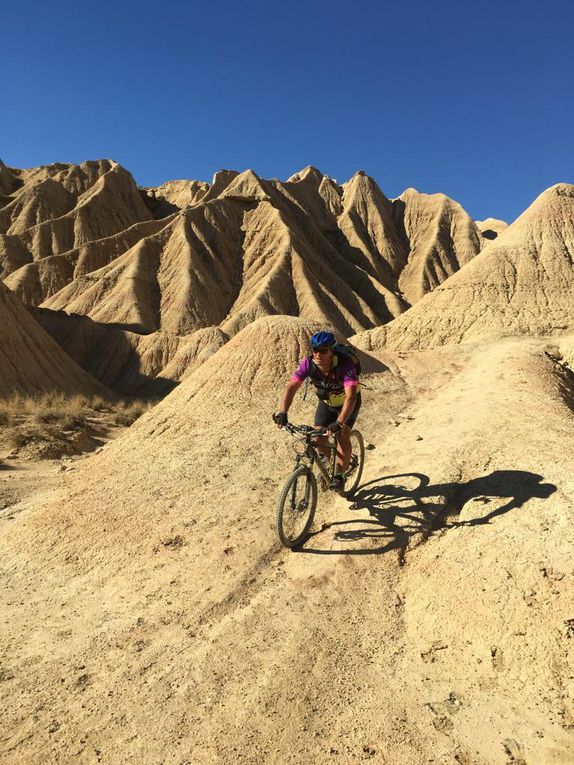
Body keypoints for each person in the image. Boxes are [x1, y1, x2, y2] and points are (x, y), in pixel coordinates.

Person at [273, 330, 361, 492]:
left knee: (342, 435)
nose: (318, 354)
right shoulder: (308, 364)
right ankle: (327, 469)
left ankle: (340, 475)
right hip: (327, 403)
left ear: (331, 351)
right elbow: (292, 386)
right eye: (315, 350)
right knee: (317, 437)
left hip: (347, 404)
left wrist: (339, 423)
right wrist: (283, 412)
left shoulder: (345, 366)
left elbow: (350, 398)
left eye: (323, 350)